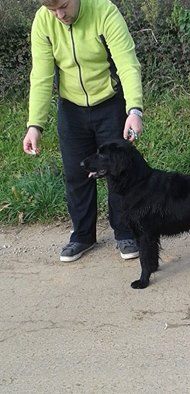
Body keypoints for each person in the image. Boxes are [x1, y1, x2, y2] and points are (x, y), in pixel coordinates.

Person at [23, 0, 143, 262]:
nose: (60, 14)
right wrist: (35, 125)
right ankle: (82, 236)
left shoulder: (104, 11)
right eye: (52, 10)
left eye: (64, 6)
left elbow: (126, 62)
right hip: (71, 109)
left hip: (110, 104)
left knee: (119, 171)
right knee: (76, 174)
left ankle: (125, 231)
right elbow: (41, 76)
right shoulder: (43, 21)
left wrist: (134, 110)